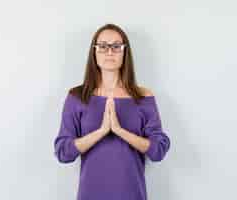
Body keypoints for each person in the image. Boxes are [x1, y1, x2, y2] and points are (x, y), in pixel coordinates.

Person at [53, 23, 171, 200]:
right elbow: (63, 152)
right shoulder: (77, 96)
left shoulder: (143, 97)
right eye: (103, 46)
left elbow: (158, 150)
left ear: (125, 52)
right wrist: (101, 131)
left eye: (116, 46)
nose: (109, 52)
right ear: (94, 52)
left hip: (131, 194)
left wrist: (119, 131)